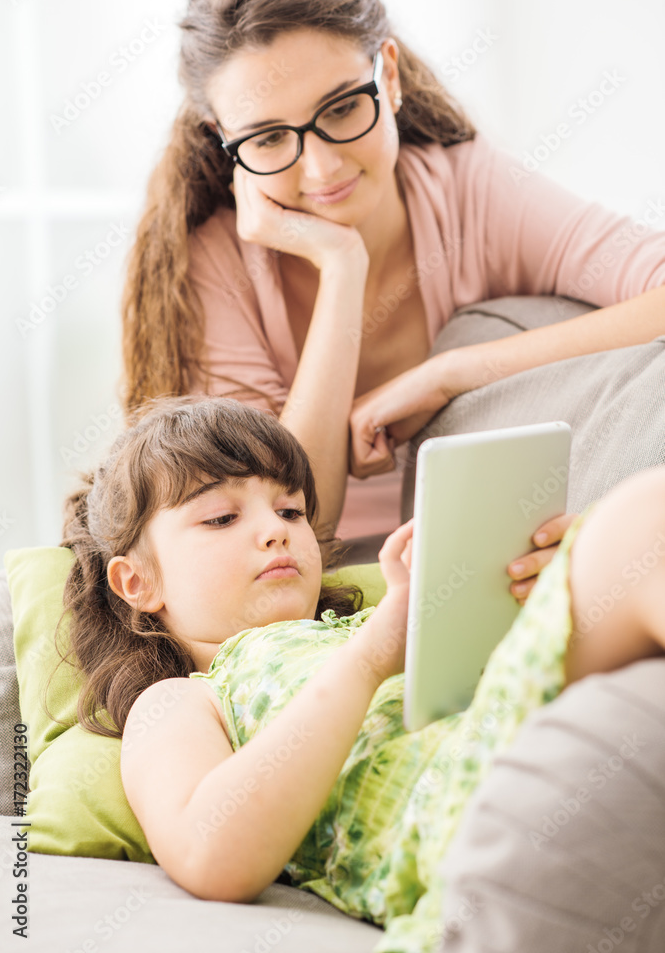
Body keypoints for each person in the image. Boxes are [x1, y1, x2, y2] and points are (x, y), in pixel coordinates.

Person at [60, 395, 665, 953]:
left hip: (535, 732)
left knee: (627, 530)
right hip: (459, 811)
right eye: (221, 518)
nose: (275, 531)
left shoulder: (373, 621)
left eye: (291, 510)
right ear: (138, 582)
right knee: (641, 517)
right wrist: (372, 657)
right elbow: (208, 853)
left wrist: (547, 586)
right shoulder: (181, 700)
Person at [120, 0, 665, 546]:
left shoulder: (467, 189)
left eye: (342, 107)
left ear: (391, 77)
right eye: (269, 138)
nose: (322, 167)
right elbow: (298, 524)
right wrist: (341, 267)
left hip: (491, 549)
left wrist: (451, 374)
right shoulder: (215, 264)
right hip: (315, 577)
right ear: (223, 139)